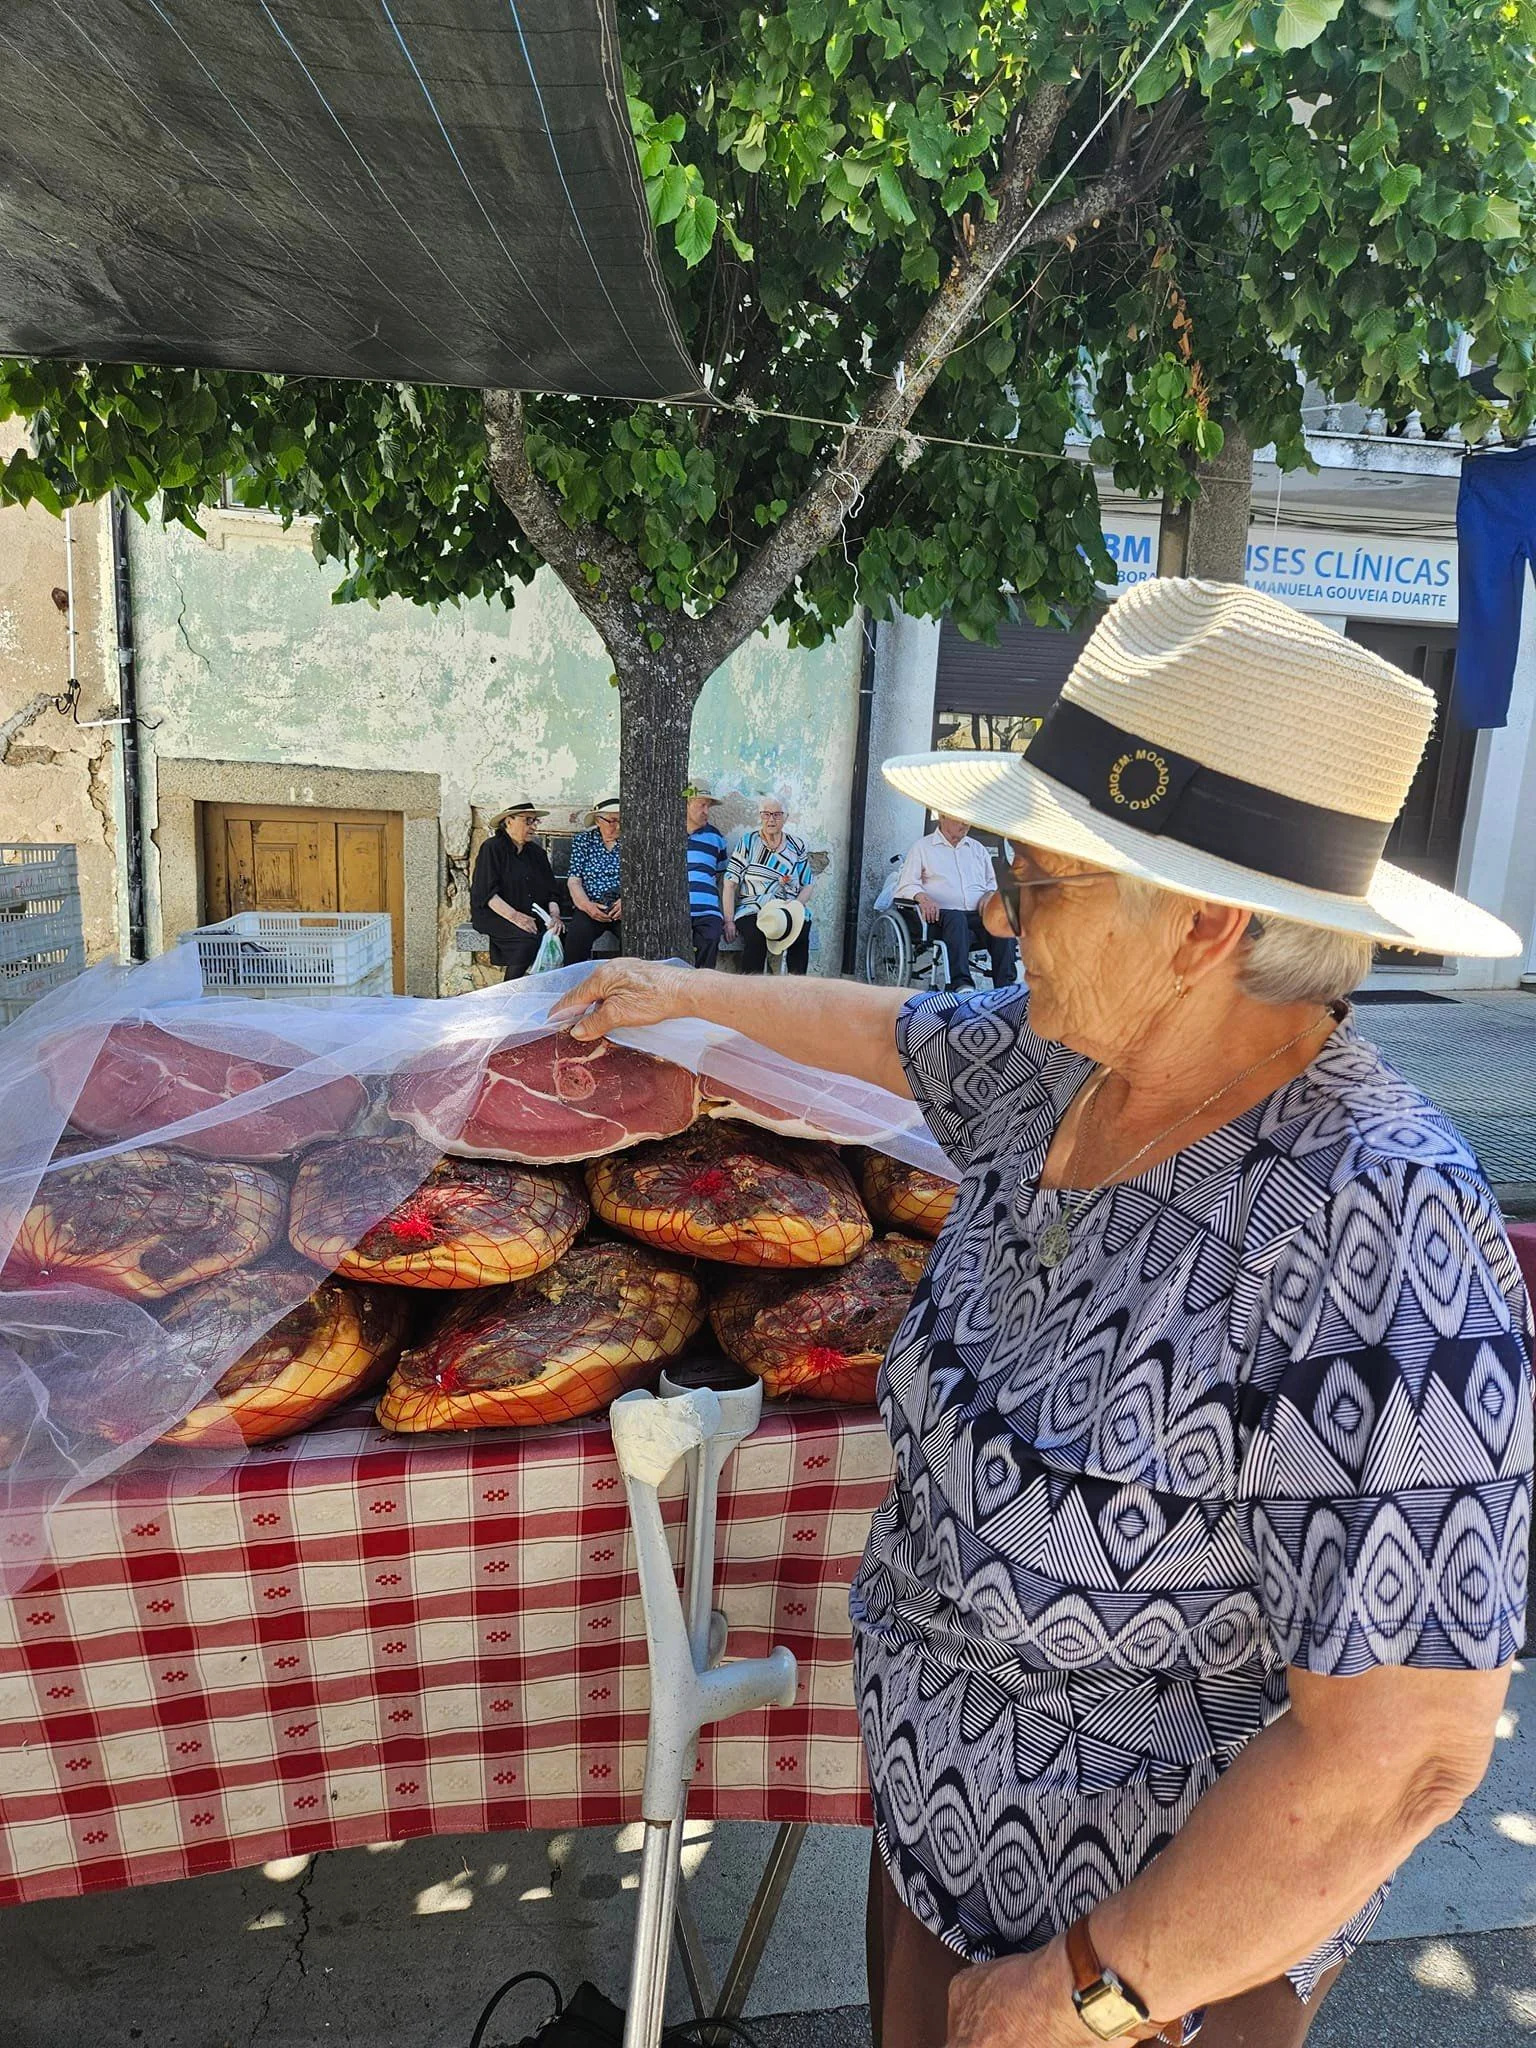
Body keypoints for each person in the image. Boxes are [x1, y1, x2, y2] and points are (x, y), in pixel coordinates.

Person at [552, 580, 1532, 2048]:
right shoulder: (1070, 1067)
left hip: (1146, 1980)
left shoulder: (1369, 1221)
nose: (1000, 910)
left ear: (1204, 923)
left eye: (1040, 879)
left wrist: (1097, 1981)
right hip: (941, 1866)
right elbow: (887, 1034)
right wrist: (666, 990)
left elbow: (1406, 1752)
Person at [895, 811, 1018, 990]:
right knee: (956, 918)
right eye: (960, 819)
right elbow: (906, 885)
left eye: (968, 820)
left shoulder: (977, 849)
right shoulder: (923, 847)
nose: (965, 824)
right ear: (943, 817)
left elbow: (990, 884)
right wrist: (922, 898)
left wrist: (988, 896)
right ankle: (961, 985)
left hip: (976, 915)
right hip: (939, 917)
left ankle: (1006, 987)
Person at [467, 801, 561, 980]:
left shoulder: (536, 854)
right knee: (526, 941)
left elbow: (552, 891)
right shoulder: (492, 848)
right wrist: (515, 917)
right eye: (528, 821)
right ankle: (509, 991)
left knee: (560, 934)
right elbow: (487, 893)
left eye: (535, 821)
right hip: (497, 914)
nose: (533, 826)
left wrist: (555, 917)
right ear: (509, 821)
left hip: (532, 914)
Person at [724, 796, 815, 975]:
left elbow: (808, 884)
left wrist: (795, 907)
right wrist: (728, 921)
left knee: (801, 930)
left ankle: (796, 988)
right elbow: (730, 883)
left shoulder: (797, 845)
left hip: (786, 909)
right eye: (766, 814)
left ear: (786, 817)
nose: (771, 819)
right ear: (760, 816)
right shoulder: (749, 842)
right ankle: (751, 991)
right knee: (756, 937)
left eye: (777, 814)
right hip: (752, 907)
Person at [563, 797, 623, 963]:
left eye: (621, 820)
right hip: (591, 905)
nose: (617, 826)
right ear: (598, 820)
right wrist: (587, 906)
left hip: (622, 906)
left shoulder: (632, 841)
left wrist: (628, 901)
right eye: (611, 821)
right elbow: (574, 880)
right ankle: (576, 986)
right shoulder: (584, 841)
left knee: (637, 939)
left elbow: (640, 879)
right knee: (576, 939)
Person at [686, 784, 729, 969]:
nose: (706, 812)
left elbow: (721, 876)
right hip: (676, 910)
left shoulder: (716, 837)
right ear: (685, 805)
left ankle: (702, 994)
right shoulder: (666, 834)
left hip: (707, 912)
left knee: (711, 937)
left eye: (708, 807)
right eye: (701, 805)